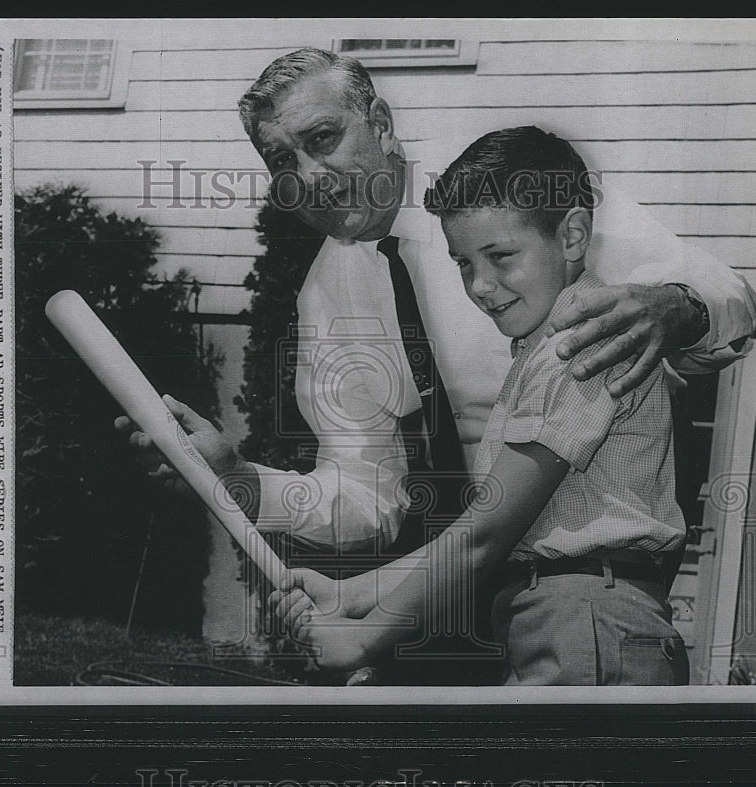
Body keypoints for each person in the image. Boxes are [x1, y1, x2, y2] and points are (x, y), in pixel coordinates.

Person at [115, 48, 756, 681]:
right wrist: (243, 480)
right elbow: (369, 497)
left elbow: (726, 293)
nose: (309, 174)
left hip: (579, 593)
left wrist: (677, 306)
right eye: (284, 160)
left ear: (382, 123)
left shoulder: (509, 197)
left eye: (324, 137)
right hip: (449, 595)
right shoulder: (327, 297)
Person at [270, 126, 690, 685]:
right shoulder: (540, 350)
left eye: (500, 257)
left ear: (572, 236)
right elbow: (486, 535)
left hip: (589, 618)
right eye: (463, 263)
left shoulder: (582, 344)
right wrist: (350, 594)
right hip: (551, 612)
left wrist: (364, 637)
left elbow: (482, 539)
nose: (481, 286)